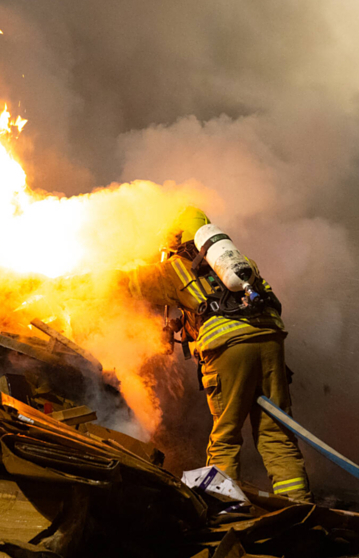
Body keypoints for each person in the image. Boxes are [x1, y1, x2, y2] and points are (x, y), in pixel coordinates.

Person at [124, 206, 311, 501]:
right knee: (277, 432)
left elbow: (127, 285)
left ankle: (227, 510)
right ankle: (300, 505)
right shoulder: (240, 264)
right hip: (270, 341)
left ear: (176, 239)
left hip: (228, 348)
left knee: (225, 436)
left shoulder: (174, 268)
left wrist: (73, 285)